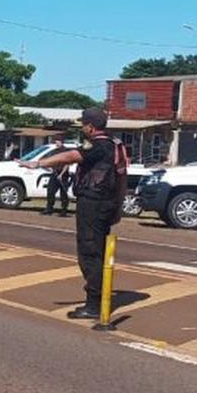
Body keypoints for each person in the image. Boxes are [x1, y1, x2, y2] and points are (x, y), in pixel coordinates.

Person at [22, 108, 127, 319]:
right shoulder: (115, 145)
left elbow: (72, 156)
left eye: (83, 124)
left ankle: (94, 304)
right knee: (96, 250)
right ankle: (97, 299)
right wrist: (118, 206)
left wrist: (39, 162)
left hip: (93, 203)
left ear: (90, 126)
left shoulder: (99, 145)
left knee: (90, 251)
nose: (82, 128)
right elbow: (122, 177)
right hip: (104, 203)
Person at [42, 136, 71, 217]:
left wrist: (61, 174)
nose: (56, 143)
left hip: (63, 174)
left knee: (63, 192)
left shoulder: (66, 151)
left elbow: (67, 164)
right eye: (56, 141)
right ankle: (49, 208)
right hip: (54, 173)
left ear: (62, 142)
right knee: (50, 191)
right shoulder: (54, 151)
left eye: (58, 141)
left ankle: (64, 210)